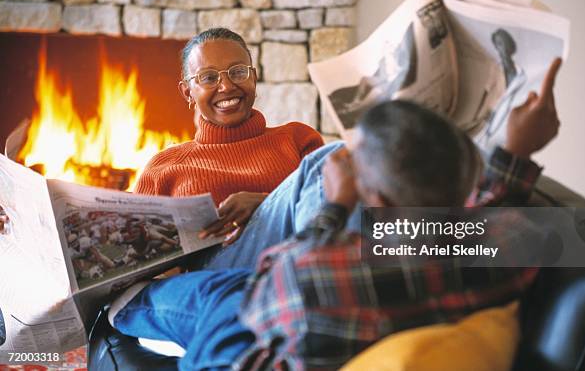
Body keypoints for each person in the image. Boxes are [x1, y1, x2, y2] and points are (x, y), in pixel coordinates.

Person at [107, 57, 562, 370]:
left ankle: (119, 309)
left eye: (354, 160)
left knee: (208, 297)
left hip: (257, 337)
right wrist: (516, 151)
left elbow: (274, 283)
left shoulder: (316, 275)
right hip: (343, 304)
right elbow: (496, 206)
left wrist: (334, 206)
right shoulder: (508, 242)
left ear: (376, 204)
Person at [133, 27, 323, 245]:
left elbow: (332, 208)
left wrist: (265, 205)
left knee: (342, 160)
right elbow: (140, 254)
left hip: (297, 253)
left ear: (253, 77)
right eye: (208, 78)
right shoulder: (163, 167)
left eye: (238, 72)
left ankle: (372, 258)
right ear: (187, 93)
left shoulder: (298, 139)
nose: (226, 86)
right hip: (215, 269)